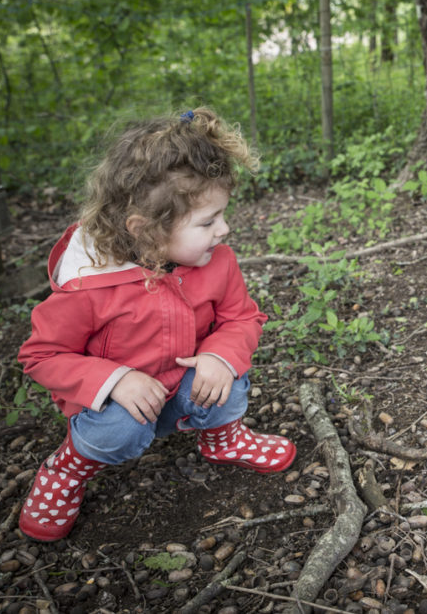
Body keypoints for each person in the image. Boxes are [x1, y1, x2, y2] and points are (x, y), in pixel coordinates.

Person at [17, 107, 295, 542]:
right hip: (120, 404)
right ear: (145, 230)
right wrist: (115, 379)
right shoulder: (89, 285)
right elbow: (41, 355)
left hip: (185, 384)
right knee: (117, 429)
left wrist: (219, 355)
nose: (224, 229)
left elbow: (241, 317)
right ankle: (69, 467)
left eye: (222, 214)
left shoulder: (217, 263)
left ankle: (222, 439)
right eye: (207, 221)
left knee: (229, 373)